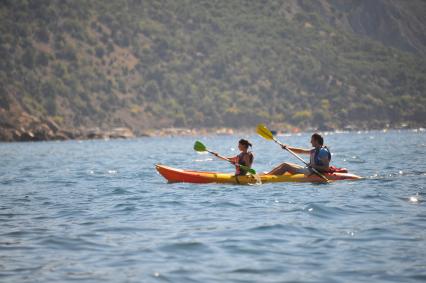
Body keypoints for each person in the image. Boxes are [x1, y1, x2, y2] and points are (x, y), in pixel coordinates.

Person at [267, 133, 331, 175]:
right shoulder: (314, 150)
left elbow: (326, 168)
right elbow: (301, 151)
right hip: (308, 170)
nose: (310, 142)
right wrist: (287, 148)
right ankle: (267, 175)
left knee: (285, 166)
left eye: (312, 140)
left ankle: (267, 177)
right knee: (284, 164)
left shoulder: (323, 151)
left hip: (311, 172)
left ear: (316, 141)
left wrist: (313, 166)